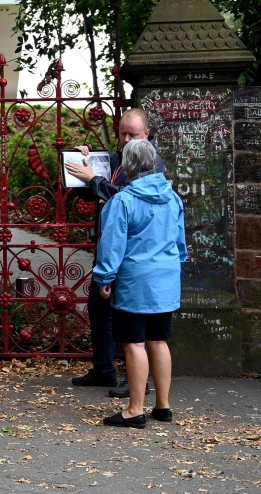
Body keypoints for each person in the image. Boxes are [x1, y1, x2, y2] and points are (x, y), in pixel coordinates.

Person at [65, 108, 165, 397]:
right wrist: (81, 164)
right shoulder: (118, 157)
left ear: (146, 134)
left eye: (132, 134)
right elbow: (93, 192)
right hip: (110, 245)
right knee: (99, 309)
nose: (125, 139)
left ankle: (138, 382)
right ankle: (104, 370)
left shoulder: (150, 162)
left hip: (131, 251)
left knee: (129, 318)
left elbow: (124, 198)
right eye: (122, 133)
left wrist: (94, 178)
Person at [92, 139, 186, 428]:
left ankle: (134, 409)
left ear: (127, 166)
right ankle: (163, 406)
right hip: (165, 280)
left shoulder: (123, 201)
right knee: (158, 340)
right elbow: (180, 245)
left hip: (136, 282)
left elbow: (112, 245)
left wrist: (104, 278)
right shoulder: (173, 197)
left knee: (134, 343)